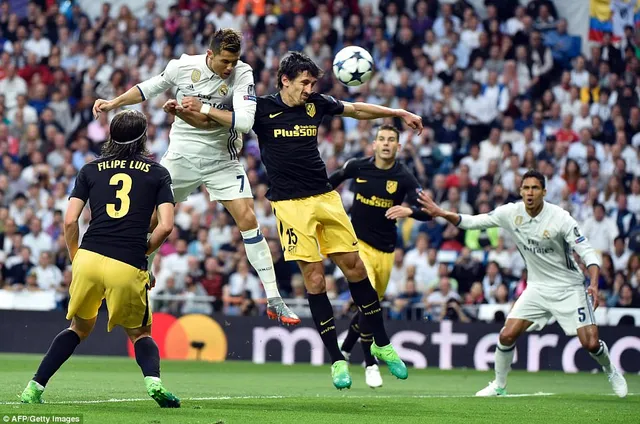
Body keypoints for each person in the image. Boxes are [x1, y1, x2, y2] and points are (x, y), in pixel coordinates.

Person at [180, 51, 423, 389]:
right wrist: (194, 109)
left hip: (325, 198)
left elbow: (357, 110)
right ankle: (337, 360)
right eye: (304, 82)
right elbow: (219, 119)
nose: (310, 89)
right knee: (314, 280)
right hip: (290, 206)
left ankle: (382, 344)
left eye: (313, 83)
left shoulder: (317, 104)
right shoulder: (261, 109)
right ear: (285, 80)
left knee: (355, 267)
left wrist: (397, 112)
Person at [92, 28, 299, 325]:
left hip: (222, 160)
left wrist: (201, 107)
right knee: (152, 219)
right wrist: (114, 103)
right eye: (225, 61)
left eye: (234, 60)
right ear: (210, 54)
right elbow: (149, 87)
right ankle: (144, 272)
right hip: (181, 157)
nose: (229, 67)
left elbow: (244, 122)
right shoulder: (182, 66)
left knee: (248, 218)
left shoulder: (242, 73)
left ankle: (274, 299)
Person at [417, 169, 628, 398]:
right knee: (507, 335)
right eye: (526, 188)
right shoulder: (511, 213)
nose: (530, 193)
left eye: (535, 188)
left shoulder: (561, 218)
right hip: (536, 288)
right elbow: (472, 222)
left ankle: (611, 370)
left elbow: (586, 252)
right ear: (520, 191)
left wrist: (594, 284)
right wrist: (440, 212)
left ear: (544, 192)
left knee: (590, 343)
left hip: (569, 287)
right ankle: (499, 385)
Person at [20, 110, 180, 407]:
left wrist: (75, 258)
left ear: (111, 136)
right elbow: (166, 225)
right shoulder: (158, 173)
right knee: (140, 332)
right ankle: (154, 382)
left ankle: (34, 387)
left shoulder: (90, 169)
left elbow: (70, 221)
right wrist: (142, 252)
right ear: (143, 138)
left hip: (89, 258)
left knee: (78, 329)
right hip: (127, 263)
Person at [328, 124, 431, 388]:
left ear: (398, 146)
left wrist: (409, 211)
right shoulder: (357, 166)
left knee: (369, 308)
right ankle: (371, 363)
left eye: (391, 140)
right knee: (369, 298)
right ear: (374, 144)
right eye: (381, 139)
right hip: (358, 244)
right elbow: (327, 183)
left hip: (385, 251)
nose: (386, 143)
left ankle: (347, 347)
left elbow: (428, 211)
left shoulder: (404, 176)